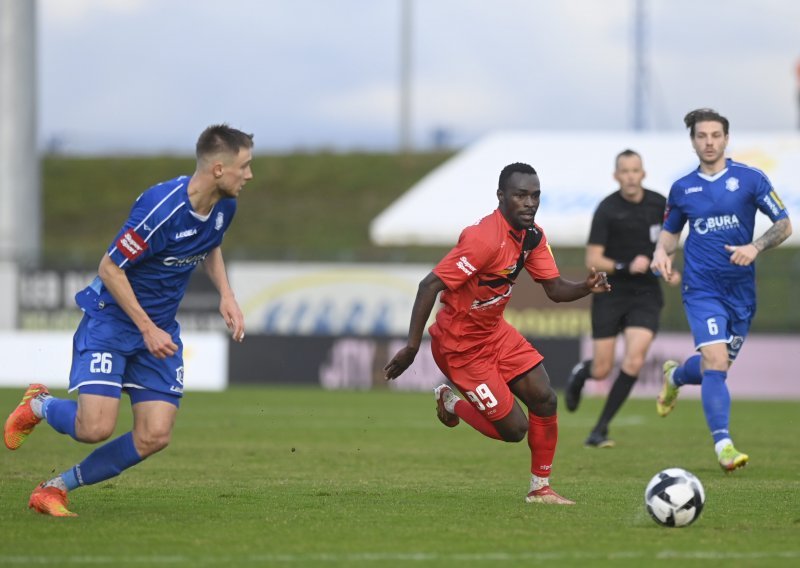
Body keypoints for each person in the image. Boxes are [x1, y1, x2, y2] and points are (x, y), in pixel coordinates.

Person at [3, 124, 254, 516]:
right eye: (245, 166)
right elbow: (109, 269)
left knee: (155, 434)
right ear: (219, 169)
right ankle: (39, 404)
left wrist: (227, 294)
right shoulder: (160, 209)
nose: (250, 175)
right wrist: (146, 327)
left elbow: (211, 243)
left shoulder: (226, 206)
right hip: (115, 322)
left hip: (159, 330)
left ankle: (54, 488)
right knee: (94, 428)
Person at [384, 162, 610, 505]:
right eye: (521, 195)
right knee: (515, 430)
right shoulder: (482, 239)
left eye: (535, 196)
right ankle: (451, 402)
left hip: (494, 333)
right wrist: (412, 347)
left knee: (545, 398)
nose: (529, 203)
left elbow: (554, 289)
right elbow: (429, 285)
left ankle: (540, 489)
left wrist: (585, 287)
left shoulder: (532, 236)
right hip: (460, 346)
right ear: (501, 197)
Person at [651, 108, 792, 472]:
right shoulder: (683, 189)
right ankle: (724, 446)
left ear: (726, 139)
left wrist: (755, 247)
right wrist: (660, 255)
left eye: (716, 135)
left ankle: (675, 376)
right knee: (715, 362)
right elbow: (669, 236)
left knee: (718, 367)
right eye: (702, 136)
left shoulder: (750, 179)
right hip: (701, 289)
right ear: (693, 140)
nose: (709, 142)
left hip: (741, 293)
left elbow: (784, 225)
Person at [564, 149, 680, 448]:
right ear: (617, 176)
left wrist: (667, 267)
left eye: (635, 170)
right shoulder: (607, 209)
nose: (630, 176)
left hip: (645, 294)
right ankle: (581, 374)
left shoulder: (659, 204)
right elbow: (593, 258)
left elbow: (670, 245)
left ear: (643, 173)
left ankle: (599, 429)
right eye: (624, 171)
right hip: (611, 292)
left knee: (635, 358)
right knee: (602, 368)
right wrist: (624, 266)